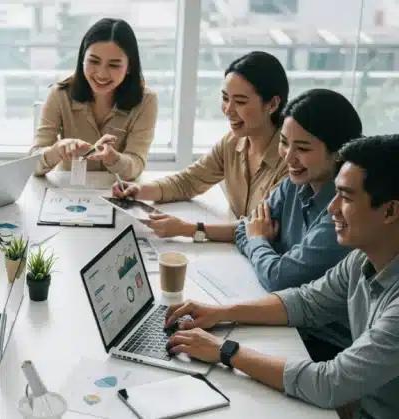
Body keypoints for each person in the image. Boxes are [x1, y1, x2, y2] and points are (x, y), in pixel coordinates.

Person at [164, 135, 399, 419]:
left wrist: (224, 350)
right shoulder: (362, 257)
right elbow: (306, 302)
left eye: (346, 197)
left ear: (390, 211)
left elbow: (328, 384)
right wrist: (221, 312)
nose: (331, 208)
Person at [235, 89, 362, 361]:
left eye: (302, 148)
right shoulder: (296, 182)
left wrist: (259, 240)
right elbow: (245, 226)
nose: (288, 157)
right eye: (283, 143)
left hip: (326, 344)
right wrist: (259, 239)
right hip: (293, 322)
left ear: (338, 153)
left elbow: (280, 278)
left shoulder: (343, 213)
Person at [113, 51, 289, 242]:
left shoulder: (290, 161)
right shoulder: (232, 143)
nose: (228, 110)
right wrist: (139, 191)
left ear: (272, 104)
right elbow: (189, 181)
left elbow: (258, 228)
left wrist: (189, 229)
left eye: (240, 102)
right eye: (225, 98)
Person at [29, 18, 158, 181]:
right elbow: (32, 164)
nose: (102, 74)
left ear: (129, 67)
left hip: (116, 193)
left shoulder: (146, 101)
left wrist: (114, 158)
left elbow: (136, 165)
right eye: (94, 61)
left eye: (114, 65)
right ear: (82, 58)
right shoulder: (59, 94)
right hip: (69, 192)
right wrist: (56, 150)